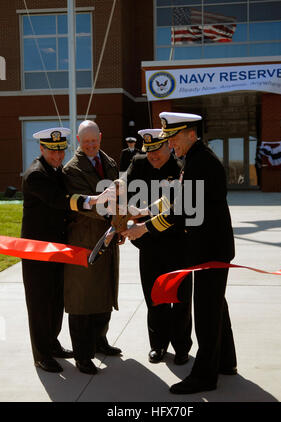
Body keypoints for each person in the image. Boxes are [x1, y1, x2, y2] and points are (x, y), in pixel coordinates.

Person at [122, 112, 237, 394]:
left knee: (207, 313)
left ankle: (205, 377)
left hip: (210, 249)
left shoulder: (200, 162)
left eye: (173, 138)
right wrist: (144, 211)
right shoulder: (195, 158)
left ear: (189, 133)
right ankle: (226, 361)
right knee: (216, 306)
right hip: (211, 247)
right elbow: (175, 196)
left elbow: (181, 209)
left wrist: (144, 228)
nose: (171, 145)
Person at [21, 127, 94, 373]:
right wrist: (89, 201)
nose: (58, 156)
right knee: (40, 303)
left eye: (61, 150)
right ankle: (41, 354)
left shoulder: (56, 171)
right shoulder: (36, 175)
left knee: (55, 300)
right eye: (52, 151)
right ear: (41, 149)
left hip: (56, 249)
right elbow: (58, 200)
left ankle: (52, 344)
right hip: (38, 252)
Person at [124, 128, 192, 365]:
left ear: (168, 146)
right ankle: (158, 344)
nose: (153, 157)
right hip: (149, 245)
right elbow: (128, 194)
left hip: (177, 244)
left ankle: (182, 346)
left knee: (181, 299)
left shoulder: (181, 167)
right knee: (154, 297)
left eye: (157, 152)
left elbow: (181, 208)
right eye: (149, 152)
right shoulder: (139, 163)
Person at [62, 120, 121, 375]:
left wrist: (119, 225)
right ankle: (83, 356)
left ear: (100, 137)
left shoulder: (109, 162)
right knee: (81, 300)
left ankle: (100, 341)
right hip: (83, 240)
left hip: (107, 236)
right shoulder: (71, 170)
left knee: (104, 292)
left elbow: (119, 195)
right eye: (85, 142)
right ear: (78, 140)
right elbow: (91, 205)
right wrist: (117, 219)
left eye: (94, 140)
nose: (90, 145)